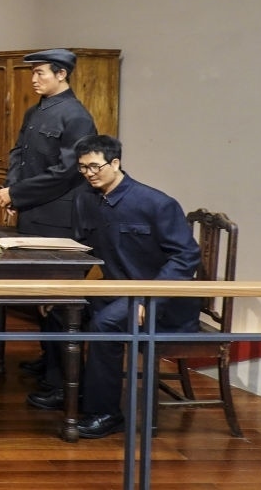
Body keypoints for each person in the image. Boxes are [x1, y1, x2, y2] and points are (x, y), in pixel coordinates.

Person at [68, 134, 201, 438]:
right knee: (63, 311)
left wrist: (147, 297)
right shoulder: (86, 199)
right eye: (83, 168)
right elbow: (84, 250)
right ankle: (66, 390)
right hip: (115, 291)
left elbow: (186, 257)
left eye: (95, 167)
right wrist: (65, 288)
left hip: (161, 301)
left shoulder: (156, 203)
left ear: (115, 163)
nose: (89, 174)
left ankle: (106, 413)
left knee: (104, 325)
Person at [0, 49, 97, 403]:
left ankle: (61, 383)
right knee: (42, 296)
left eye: (40, 73)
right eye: (33, 73)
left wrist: (17, 193)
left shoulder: (76, 116)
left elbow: (66, 172)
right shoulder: (35, 110)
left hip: (58, 220)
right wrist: (11, 190)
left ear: (61, 74)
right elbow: (18, 155)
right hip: (34, 213)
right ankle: (49, 358)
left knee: (59, 302)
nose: (34, 79)